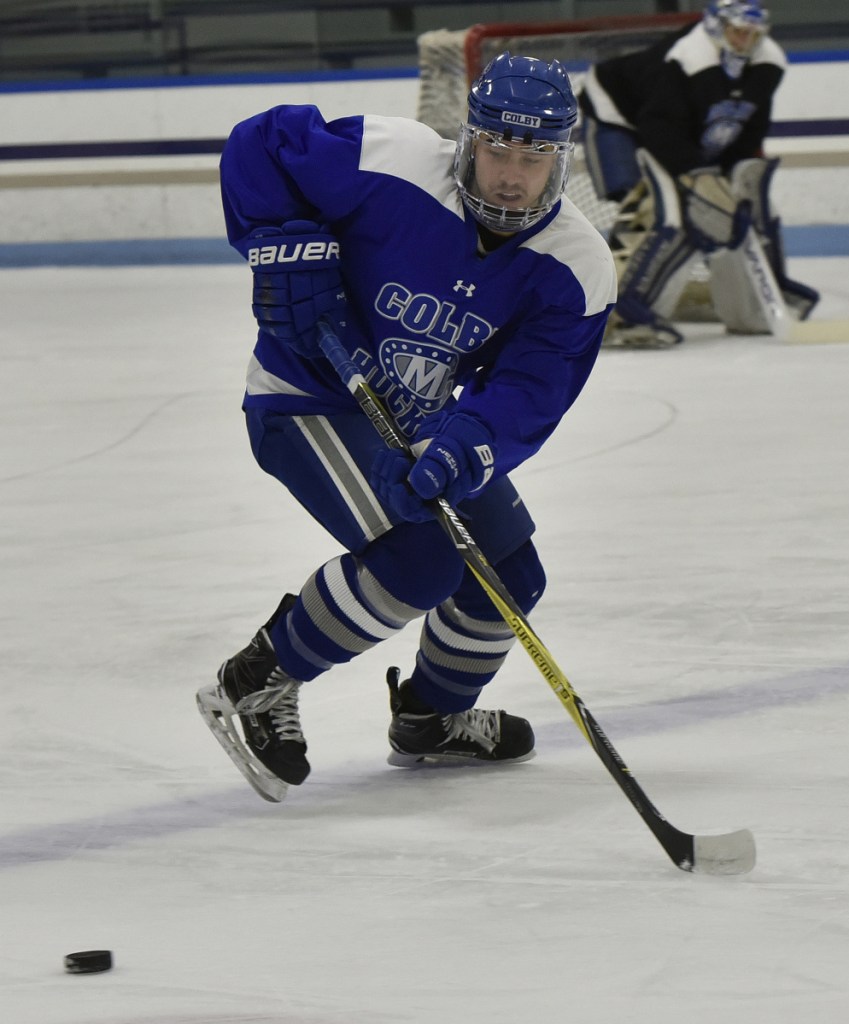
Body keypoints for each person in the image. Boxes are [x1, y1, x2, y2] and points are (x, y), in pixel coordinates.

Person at [196, 52, 617, 798]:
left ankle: (432, 719)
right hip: (304, 398)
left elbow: (529, 392)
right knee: (424, 563)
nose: (512, 175)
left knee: (508, 575)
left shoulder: (576, 264)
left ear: (562, 158)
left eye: (535, 155)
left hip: (419, 419)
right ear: (470, 142)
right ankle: (258, 679)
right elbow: (260, 142)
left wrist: (464, 447)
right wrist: (279, 243)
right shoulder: (392, 160)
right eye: (497, 150)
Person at [577, 0, 819, 347]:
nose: (744, 41)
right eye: (737, 32)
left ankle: (751, 310)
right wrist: (696, 176)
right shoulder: (685, 58)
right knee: (661, 208)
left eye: (753, 34)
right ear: (716, 26)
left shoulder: (768, 63)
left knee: (736, 211)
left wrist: (737, 170)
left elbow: (747, 125)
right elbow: (658, 126)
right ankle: (617, 310)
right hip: (620, 114)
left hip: (675, 130)